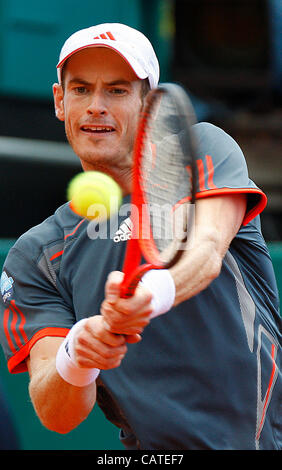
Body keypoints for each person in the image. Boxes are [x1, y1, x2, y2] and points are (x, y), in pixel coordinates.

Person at [0, 23, 281, 451]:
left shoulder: (201, 148)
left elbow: (206, 251)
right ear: (59, 101)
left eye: (116, 90)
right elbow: (54, 412)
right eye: (80, 90)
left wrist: (151, 295)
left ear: (148, 104)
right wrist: (79, 353)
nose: (96, 106)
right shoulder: (35, 255)